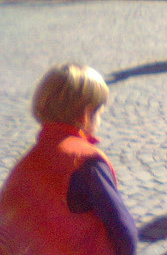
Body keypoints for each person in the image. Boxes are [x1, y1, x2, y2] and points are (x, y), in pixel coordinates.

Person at [0, 63, 138, 254]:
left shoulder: (25, 165)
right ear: (87, 114)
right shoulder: (86, 163)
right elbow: (124, 229)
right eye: (100, 113)